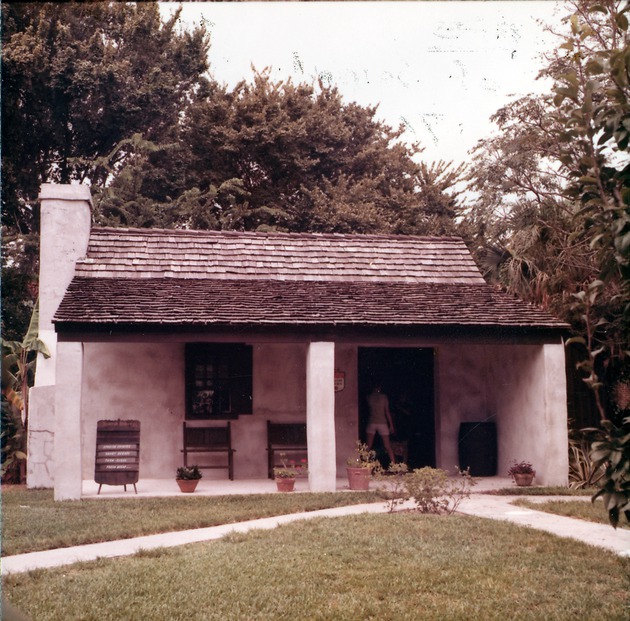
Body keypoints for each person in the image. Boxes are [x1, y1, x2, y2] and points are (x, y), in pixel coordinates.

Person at [366, 384, 396, 465]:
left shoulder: (369, 397)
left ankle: (363, 465)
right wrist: (391, 425)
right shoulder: (384, 397)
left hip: (372, 422)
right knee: (387, 446)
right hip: (382, 422)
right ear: (380, 387)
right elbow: (387, 411)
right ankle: (394, 466)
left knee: (368, 446)